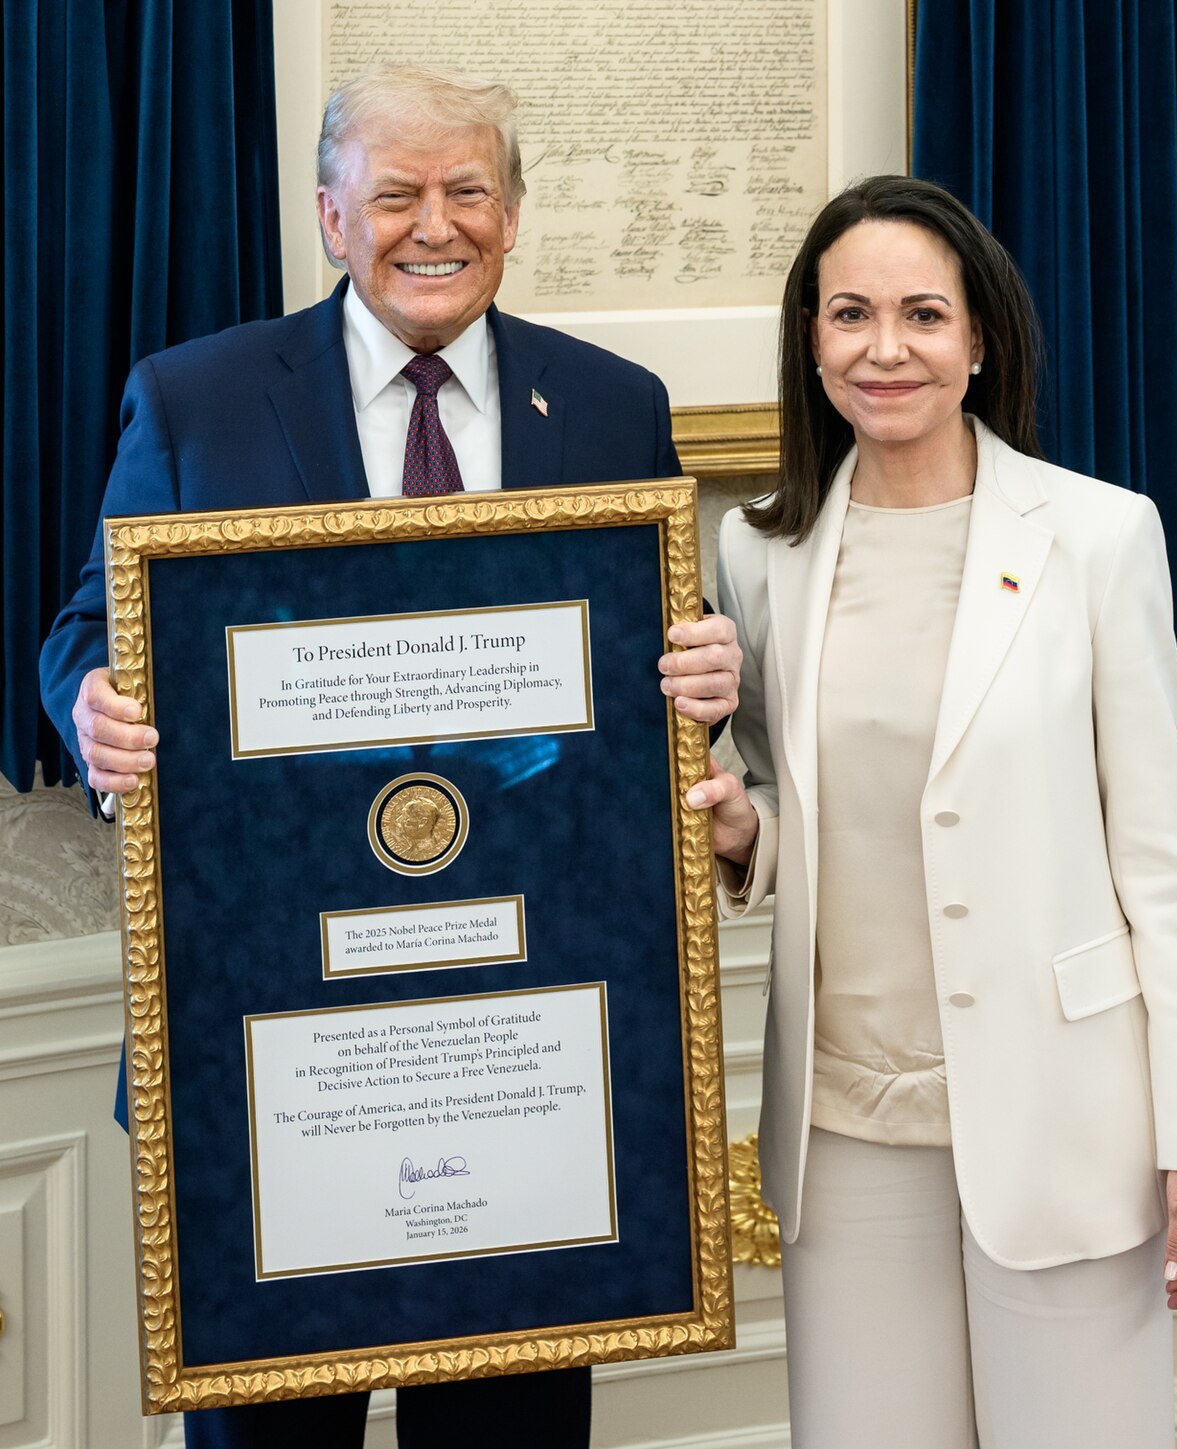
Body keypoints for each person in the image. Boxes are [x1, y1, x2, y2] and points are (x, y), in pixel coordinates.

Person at [40, 65, 739, 1449]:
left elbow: (641, 683)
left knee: (510, 1425)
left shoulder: (610, 404)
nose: (438, 225)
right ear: (330, 215)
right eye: (399, 193)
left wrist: (706, 683)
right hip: (271, 1026)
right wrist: (93, 702)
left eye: (469, 190)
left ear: (513, 213)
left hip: (527, 1026)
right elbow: (86, 628)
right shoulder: (197, 398)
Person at [690, 175, 1177, 1449]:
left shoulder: (1098, 538)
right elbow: (785, 799)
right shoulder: (759, 555)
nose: (885, 349)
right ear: (809, 341)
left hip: (1066, 1119)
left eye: (922, 316)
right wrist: (740, 832)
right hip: (844, 1127)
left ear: (978, 339)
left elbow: (1158, 866)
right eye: (848, 316)